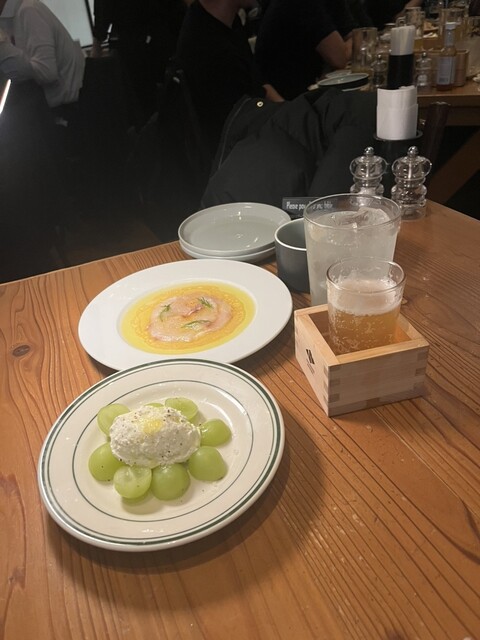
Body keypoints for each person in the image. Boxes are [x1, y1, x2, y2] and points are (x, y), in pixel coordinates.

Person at [173, 0, 283, 157]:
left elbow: (258, 85)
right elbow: (249, 120)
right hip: (239, 154)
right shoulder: (210, 49)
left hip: (251, 136)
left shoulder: (222, 22)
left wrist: (289, 111)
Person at [91, 0, 186, 127]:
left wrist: (95, 55)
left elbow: (101, 24)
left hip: (132, 50)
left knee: (143, 110)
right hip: (168, 44)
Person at [255, 0, 356, 100]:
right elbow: (339, 58)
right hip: (290, 100)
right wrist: (351, 44)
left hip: (312, 93)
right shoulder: (300, 3)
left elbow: (354, 36)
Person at [0, 0, 85, 109]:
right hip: (50, 102)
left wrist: (2, 47)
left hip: (73, 101)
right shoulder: (8, 18)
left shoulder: (29, 10)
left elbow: (47, 72)